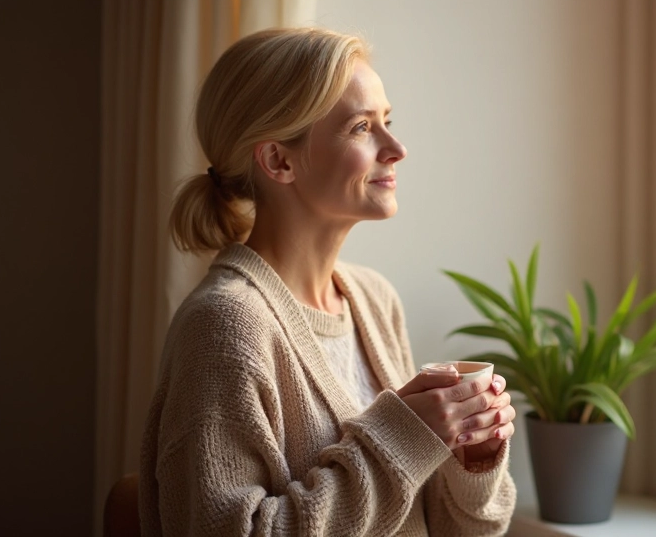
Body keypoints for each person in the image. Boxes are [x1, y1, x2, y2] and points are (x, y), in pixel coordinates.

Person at [139, 27, 517, 536]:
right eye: (362, 127)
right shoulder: (225, 326)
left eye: (387, 122)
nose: (397, 148)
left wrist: (470, 458)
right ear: (279, 160)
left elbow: (450, 529)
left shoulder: (375, 301)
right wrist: (403, 440)